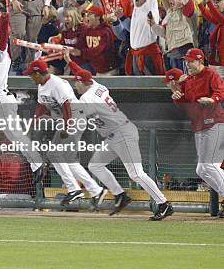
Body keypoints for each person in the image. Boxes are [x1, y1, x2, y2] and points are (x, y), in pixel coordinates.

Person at [66, 53, 172, 219]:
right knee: (95, 165)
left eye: (76, 82)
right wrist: (69, 61)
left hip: (122, 133)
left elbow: (78, 120)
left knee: (136, 174)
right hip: (113, 136)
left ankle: (163, 204)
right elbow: (82, 73)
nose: (75, 85)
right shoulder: (95, 85)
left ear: (82, 82)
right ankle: (120, 195)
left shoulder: (87, 98)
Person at [24, 59, 105, 206]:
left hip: (74, 117)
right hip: (67, 120)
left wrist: (67, 127)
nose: (30, 77)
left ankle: (74, 189)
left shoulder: (57, 83)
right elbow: (41, 107)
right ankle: (96, 190)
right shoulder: (42, 86)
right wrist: (32, 125)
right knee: (69, 161)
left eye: (31, 74)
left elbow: (67, 104)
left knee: (54, 153)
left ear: (38, 73)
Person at [0, 12, 45, 181]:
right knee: (12, 136)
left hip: (2, 98)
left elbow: (2, 40)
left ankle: (37, 163)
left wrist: (4, 20)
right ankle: (35, 163)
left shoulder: (0, 54)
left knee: (16, 134)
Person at [169, 48, 224, 218]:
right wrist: (177, 96)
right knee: (201, 170)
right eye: (187, 61)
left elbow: (220, 91)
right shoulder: (189, 80)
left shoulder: (210, 74)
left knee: (209, 165)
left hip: (215, 122)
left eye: (191, 61)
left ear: (199, 61)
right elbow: (187, 103)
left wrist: (212, 99)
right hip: (199, 125)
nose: (188, 64)